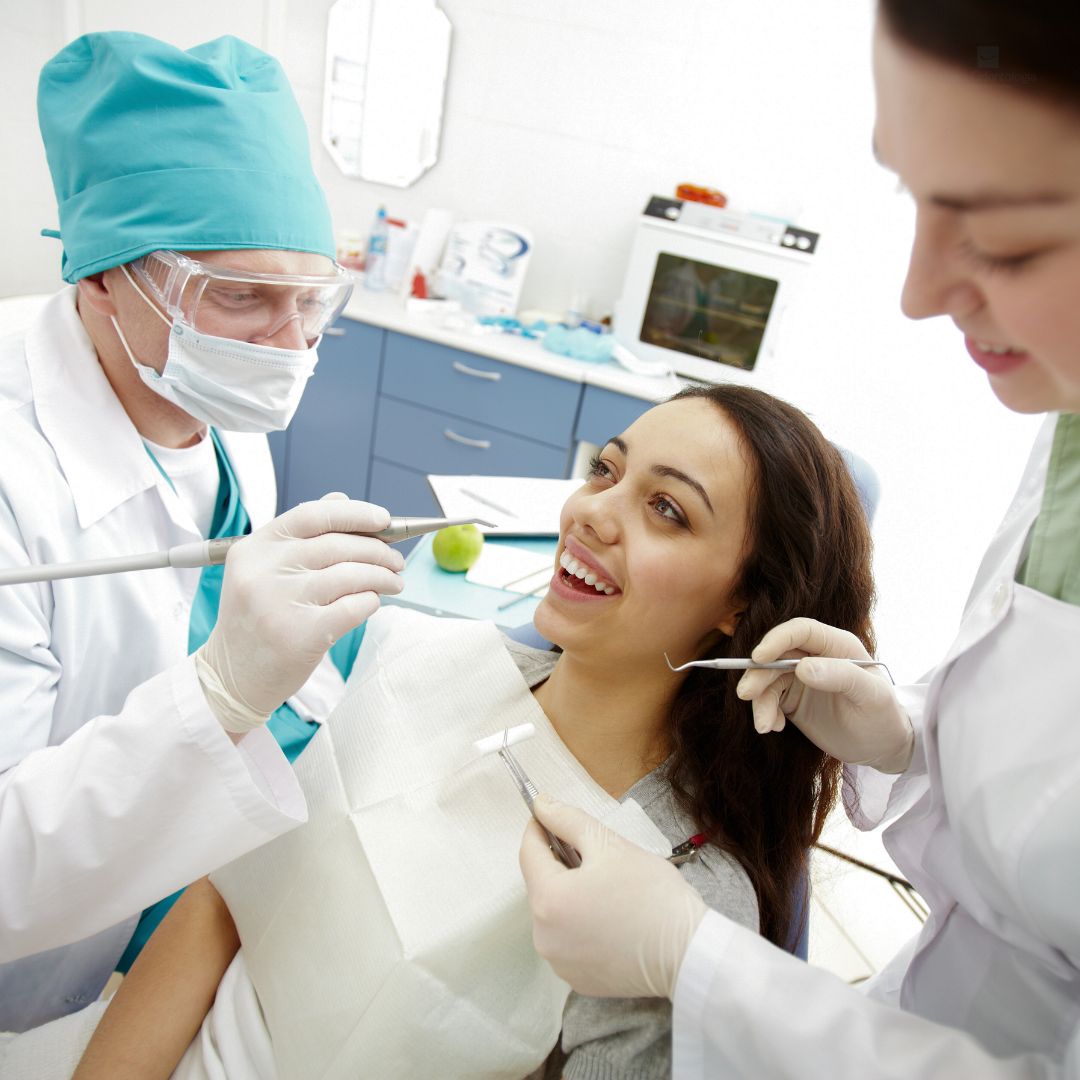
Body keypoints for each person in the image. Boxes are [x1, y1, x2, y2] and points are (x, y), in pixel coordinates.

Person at [1, 384, 875, 1078]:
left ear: (739, 607)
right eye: (607, 472)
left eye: (669, 511)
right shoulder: (415, 655)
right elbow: (221, 904)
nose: (593, 513)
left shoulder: (684, 892)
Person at [519, 2, 1080, 1077]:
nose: (917, 293)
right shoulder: (1065, 419)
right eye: (911, 192)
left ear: (744, 604)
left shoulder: (704, 882)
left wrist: (699, 963)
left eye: (1004, 234)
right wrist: (909, 744)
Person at [0, 31, 405, 1031]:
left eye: (314, 303)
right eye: (242, 297)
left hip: (129, 929)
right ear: (101, 276)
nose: (292, 347)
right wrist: (220, 692)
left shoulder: (206, 400)